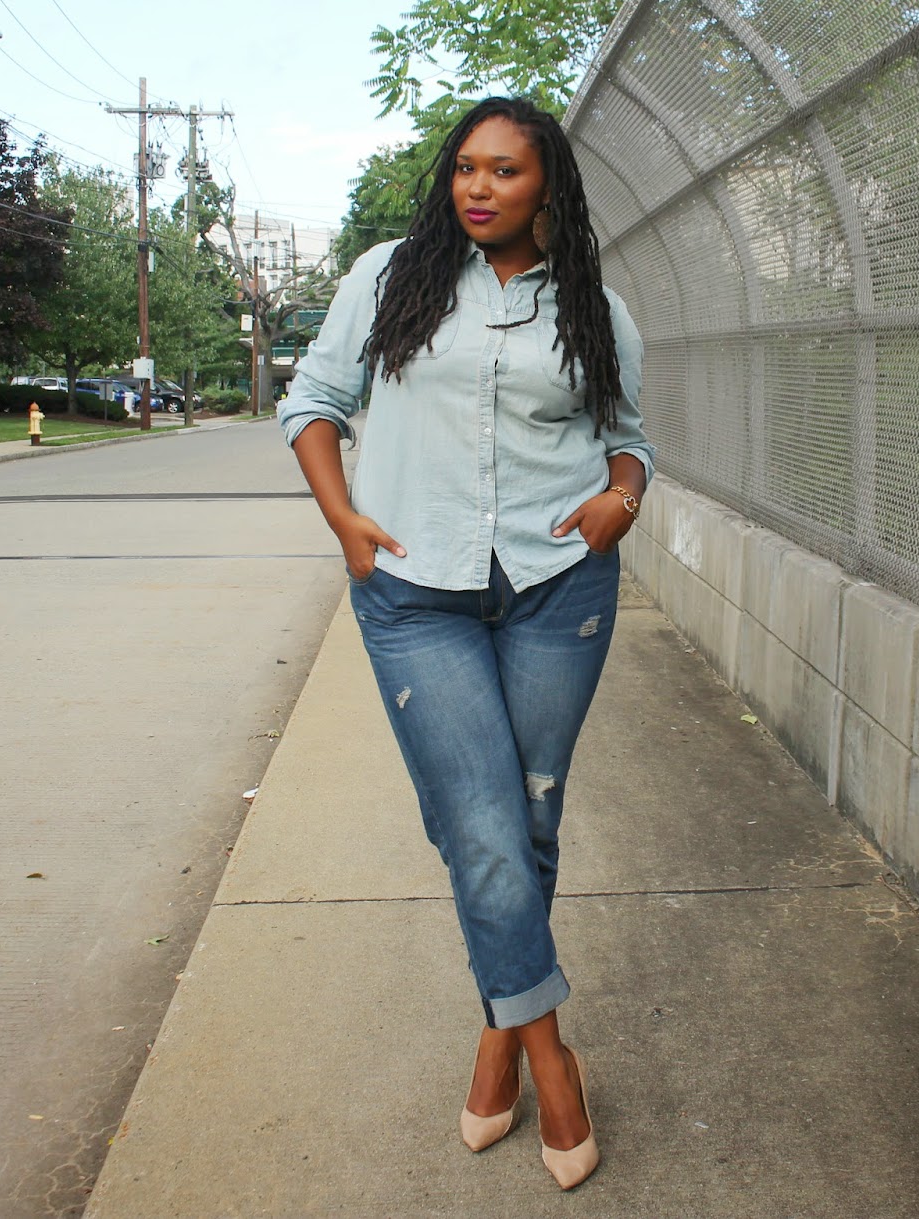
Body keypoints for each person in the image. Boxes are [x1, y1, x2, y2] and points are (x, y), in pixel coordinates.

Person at [277, 95, 652, 1191]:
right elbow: (313, 398)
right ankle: (551, 1053)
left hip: (557, 587)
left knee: (528, 810)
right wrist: (342, 518)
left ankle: (497, 1031)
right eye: (465, 170)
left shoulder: (594, 309)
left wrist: (619, 501)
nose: (478, 189)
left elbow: (626, 441)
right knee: (479, 822)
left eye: (504, 173)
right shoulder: (389, 276)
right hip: (411, 589)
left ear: (550, 190)